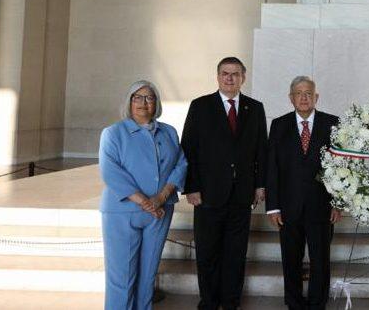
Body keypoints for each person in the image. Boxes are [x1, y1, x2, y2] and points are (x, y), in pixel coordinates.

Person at [181, 57, 268, 310]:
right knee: (207, 253)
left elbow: (261, 149)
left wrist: (260, 185)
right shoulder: (201, 106)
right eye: (225, 73)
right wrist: (191, 187)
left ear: (243, 77)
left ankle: (231, 302)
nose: (230, 78)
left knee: (235, 254)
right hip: (207, 194)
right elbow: (189, 148)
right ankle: (209, 302)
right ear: (217, 76)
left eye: (235, 74)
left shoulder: (255, 108)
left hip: (242, 195)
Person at [99, 80, 187, 310]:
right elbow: (111, 172)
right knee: (122, 279)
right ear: (129, 102)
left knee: (147, 275)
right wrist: (146, 202)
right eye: (137, 97)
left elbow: (181, 164)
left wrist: (162, 197)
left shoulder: (169, 132)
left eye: (149, 97)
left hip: (160, 211)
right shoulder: (113, 133)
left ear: (156, 103)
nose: (143, 102)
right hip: (123, 212)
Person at [266, 76, 342, 310]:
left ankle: (318, 303)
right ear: (291, 98)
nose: (304, 97)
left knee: (320, 260)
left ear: (316, 97)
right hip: (288, 208)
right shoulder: (279, 125)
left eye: (308, 93)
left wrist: (338, 202)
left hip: (321, 207)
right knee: (291, 260)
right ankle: (294, 304)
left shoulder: (333, 123)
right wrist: (273, 206)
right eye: (298, 93)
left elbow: (342, 167)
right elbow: (272, 167)